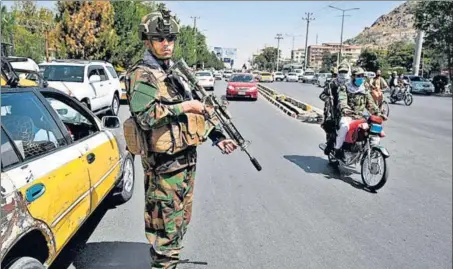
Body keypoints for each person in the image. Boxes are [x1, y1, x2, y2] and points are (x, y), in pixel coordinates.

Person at [124, 8, 238, 268]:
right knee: (166, 227)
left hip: (184, 162)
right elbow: (146, 116)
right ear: (147, 41)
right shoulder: (143, 74)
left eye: (171, 39)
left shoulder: (171, 72)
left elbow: (190, 117)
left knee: (180, 222)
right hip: (164, 166)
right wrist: (187, 107)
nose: (167, 44)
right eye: (160, 39)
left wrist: (216, 136)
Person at [331, 67, 386, 159]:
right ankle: (337, 149)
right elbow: (342, 100)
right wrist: (345, 108)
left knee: (375, 129)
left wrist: (379, 113)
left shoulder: (364, 89)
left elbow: (371, 104)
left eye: (362, 76)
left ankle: (372, 150)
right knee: (344, 127)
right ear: (353, 76)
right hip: (348, 115)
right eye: (358, 76)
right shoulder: (345, 87)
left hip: (360, 117)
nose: (361, 78)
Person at [319, 61, 351, 155]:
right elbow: (322, 95)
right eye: (341, 72)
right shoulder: (332, 83)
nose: (343, 74)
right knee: (332, 129)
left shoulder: (351, 84)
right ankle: (330, 147)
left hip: (347, 110)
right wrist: (329, 99)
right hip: (333, 110)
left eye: (345, 72)